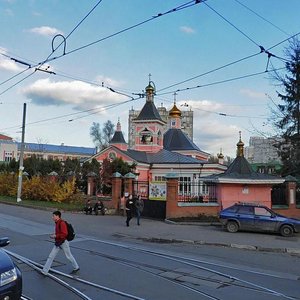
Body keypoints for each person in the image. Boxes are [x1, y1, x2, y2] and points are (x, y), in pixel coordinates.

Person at [42, 211, 79, 275]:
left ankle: (76, 267)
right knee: (51, 256)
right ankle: (44, 271)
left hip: (63, 242)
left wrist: (56, 236)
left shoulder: (61, 223)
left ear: (57, 216)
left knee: (69, 256)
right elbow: (60, 232)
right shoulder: (57, 222)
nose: (52, 217)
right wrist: (55, 235)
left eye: (53, 216)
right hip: (58, 242)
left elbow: (65, 233)